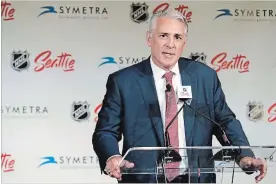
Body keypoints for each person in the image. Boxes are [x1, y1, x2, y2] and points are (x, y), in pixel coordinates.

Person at [92, 9, 267, 183]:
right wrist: (112, 157)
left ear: (184, 42)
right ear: (149, 38)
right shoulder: (123, 81)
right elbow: (105, 131)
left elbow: (225, 122)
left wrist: (244, 155)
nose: (170, 44)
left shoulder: (204, 77)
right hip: (143, 179)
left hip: (197, 179)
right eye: (163, 36)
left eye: (177, 37)